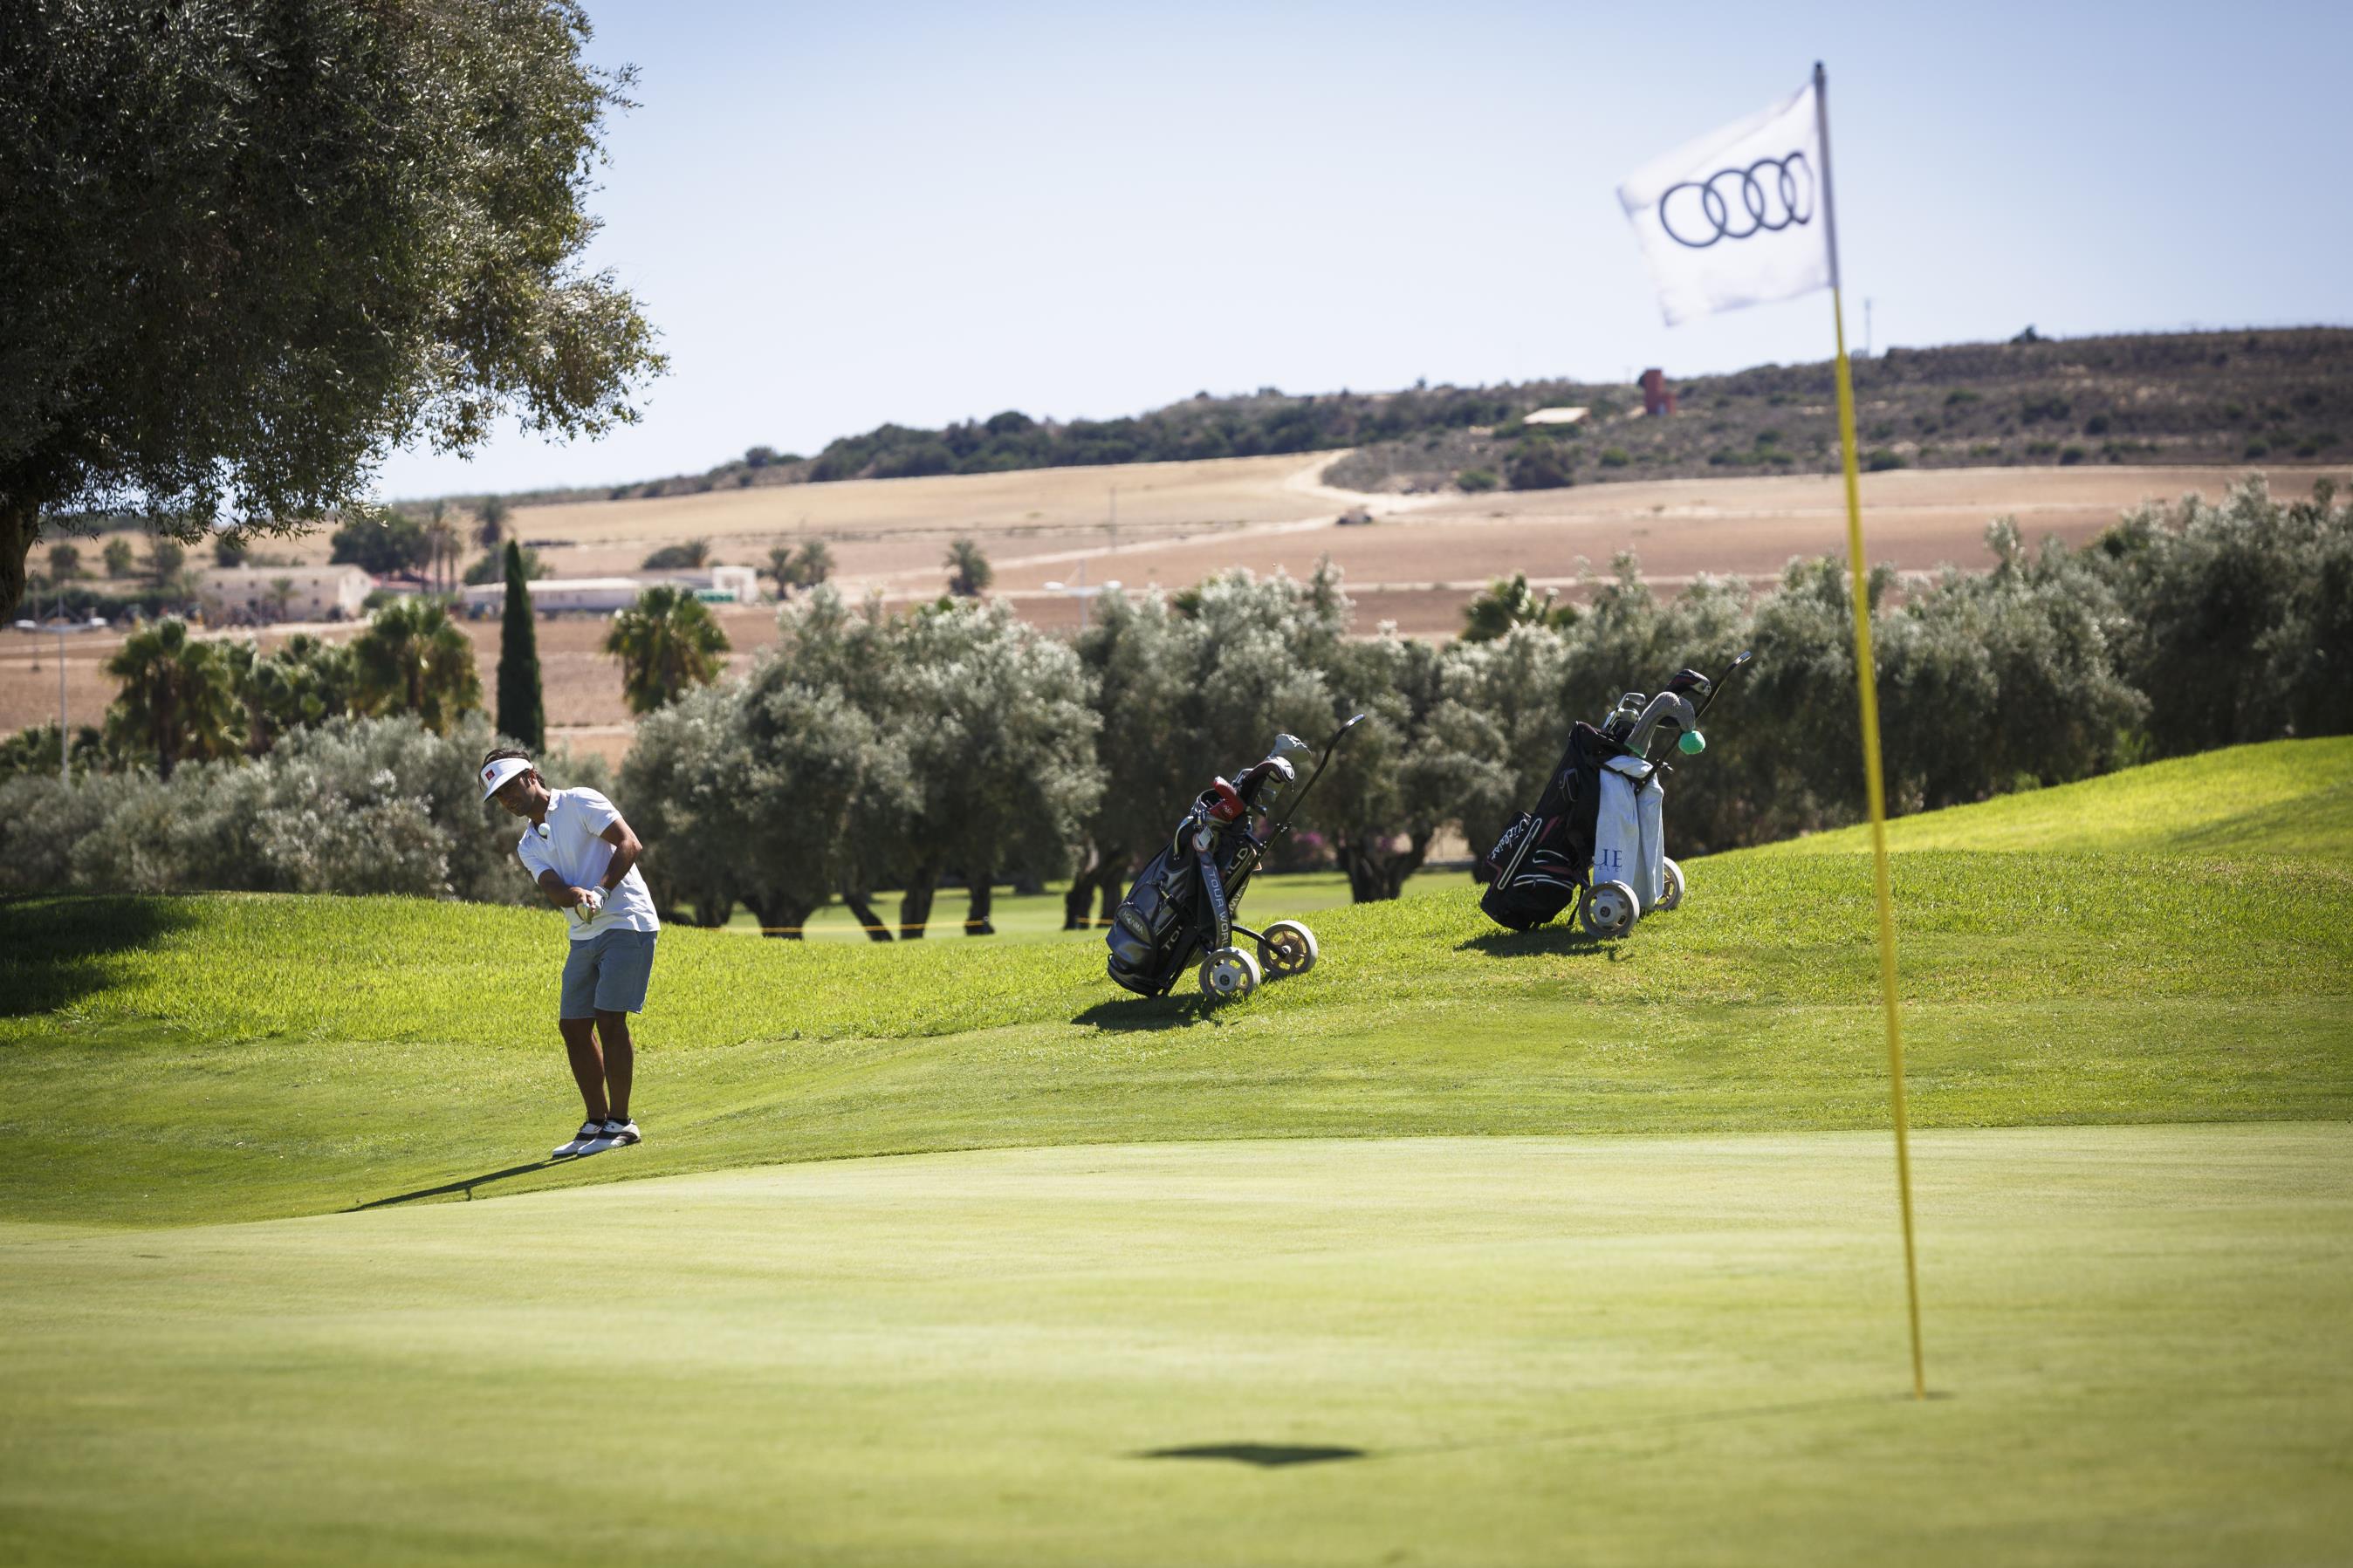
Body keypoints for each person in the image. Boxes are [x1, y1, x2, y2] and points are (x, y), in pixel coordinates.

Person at [479, 747, 661, 1159]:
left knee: (609, 1019)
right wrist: (574, 895)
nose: (507, 799)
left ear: (530, 775)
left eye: (509, 786)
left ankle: (621, 1122)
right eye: (499, 795)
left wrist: (599, 890)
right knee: (573, 1026)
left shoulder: (580, 801)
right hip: (583, 933)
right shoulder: (528, 844)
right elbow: (553, 888)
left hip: (626, 920)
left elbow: (629, 844)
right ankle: (595, 1122)